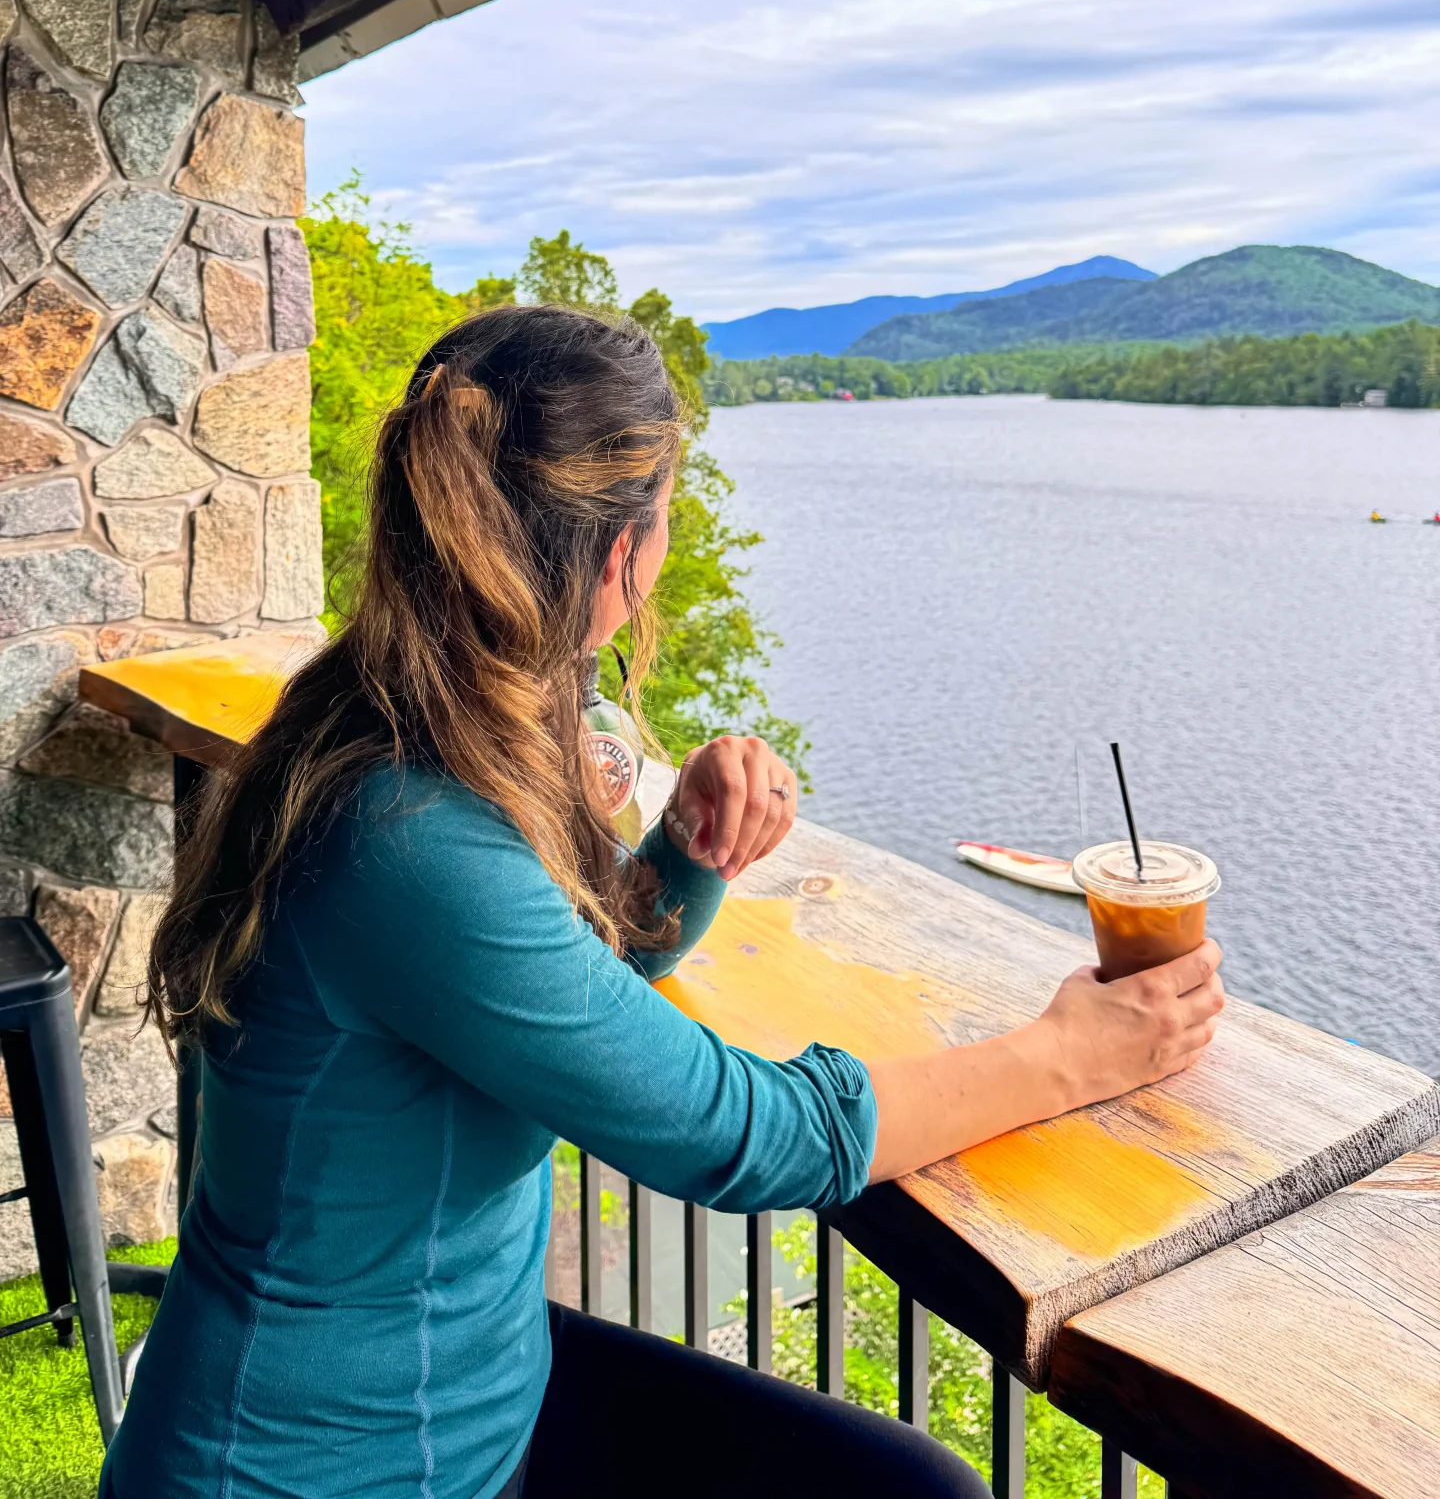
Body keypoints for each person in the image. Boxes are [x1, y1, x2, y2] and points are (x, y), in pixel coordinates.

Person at [105, 305, 1224, 1499]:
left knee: (908, 1486)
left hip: (472, 1395)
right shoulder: (404, 828)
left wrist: (680, 857)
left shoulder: (393, 710)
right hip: (321, 1465)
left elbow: (544, 988)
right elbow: (746, 1136)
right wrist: (1069, 1053)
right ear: (622, 555)